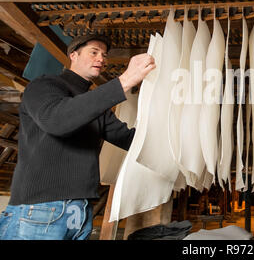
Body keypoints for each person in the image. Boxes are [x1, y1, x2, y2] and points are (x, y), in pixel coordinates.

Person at [0, 34, 155, 240]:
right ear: (73, 55)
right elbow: (56, 121)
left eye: (104, 55)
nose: (101, 59)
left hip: (79, 211)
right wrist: (124, 81)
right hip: (41, 209)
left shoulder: (94, 106)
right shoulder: (44, 86)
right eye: (94, 52)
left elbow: (130, 140)